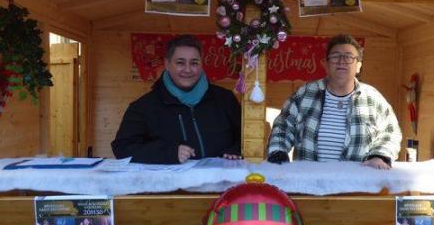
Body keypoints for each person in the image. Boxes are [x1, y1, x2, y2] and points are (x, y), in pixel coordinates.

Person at [266, 34, 402, 170]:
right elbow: (283, 125)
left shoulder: (373, 99)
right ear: (325, 64)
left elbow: (390, 132)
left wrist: (379, 156)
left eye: (349, 56)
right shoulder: (304, 94)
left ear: (358, 66)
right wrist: (278, 152)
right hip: (308, 183)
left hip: (356, 186)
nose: (341, 61)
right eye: (336, 56)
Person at [112, 35, 242, 164]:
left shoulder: (225, 99)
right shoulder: (143, 107)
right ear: (167, 64)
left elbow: (246, 135)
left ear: (201, 64)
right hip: (170, 184)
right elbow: (122, 148)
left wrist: (236, 150)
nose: (187, 69)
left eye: (194, 63)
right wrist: (169, 153)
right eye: (180, 62)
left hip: (221, 183)